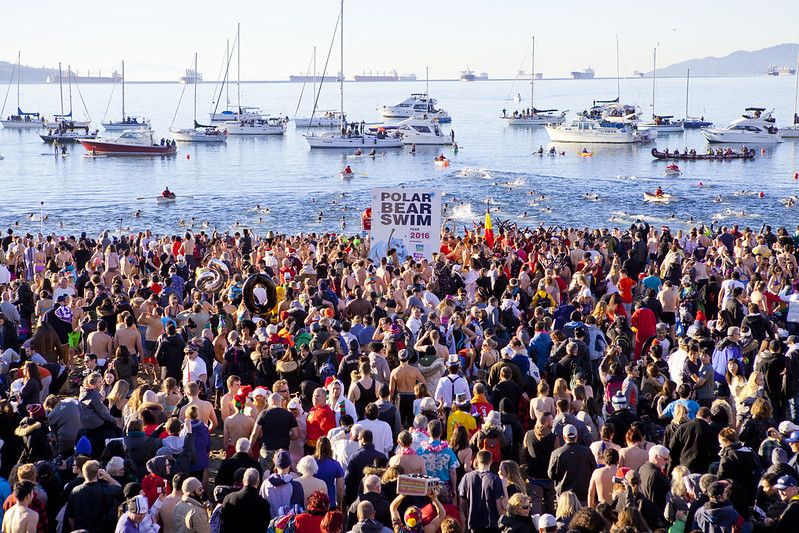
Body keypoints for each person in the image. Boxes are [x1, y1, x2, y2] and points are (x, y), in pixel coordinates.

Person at [546, 424, 596, 506]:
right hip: (583, 495)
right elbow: (594, 469)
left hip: (564, 495)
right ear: (576, 436)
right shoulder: (586, 452)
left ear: (564, 437)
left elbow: (551, 474)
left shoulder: (557, 453)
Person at [458, 450, 507, 533]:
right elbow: (499, 504)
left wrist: (467, 516)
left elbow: (463, 502)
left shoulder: (467, 477)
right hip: (491, 523)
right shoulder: (495, 479)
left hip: (474, 522)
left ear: (477, 461)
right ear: (491, 461)